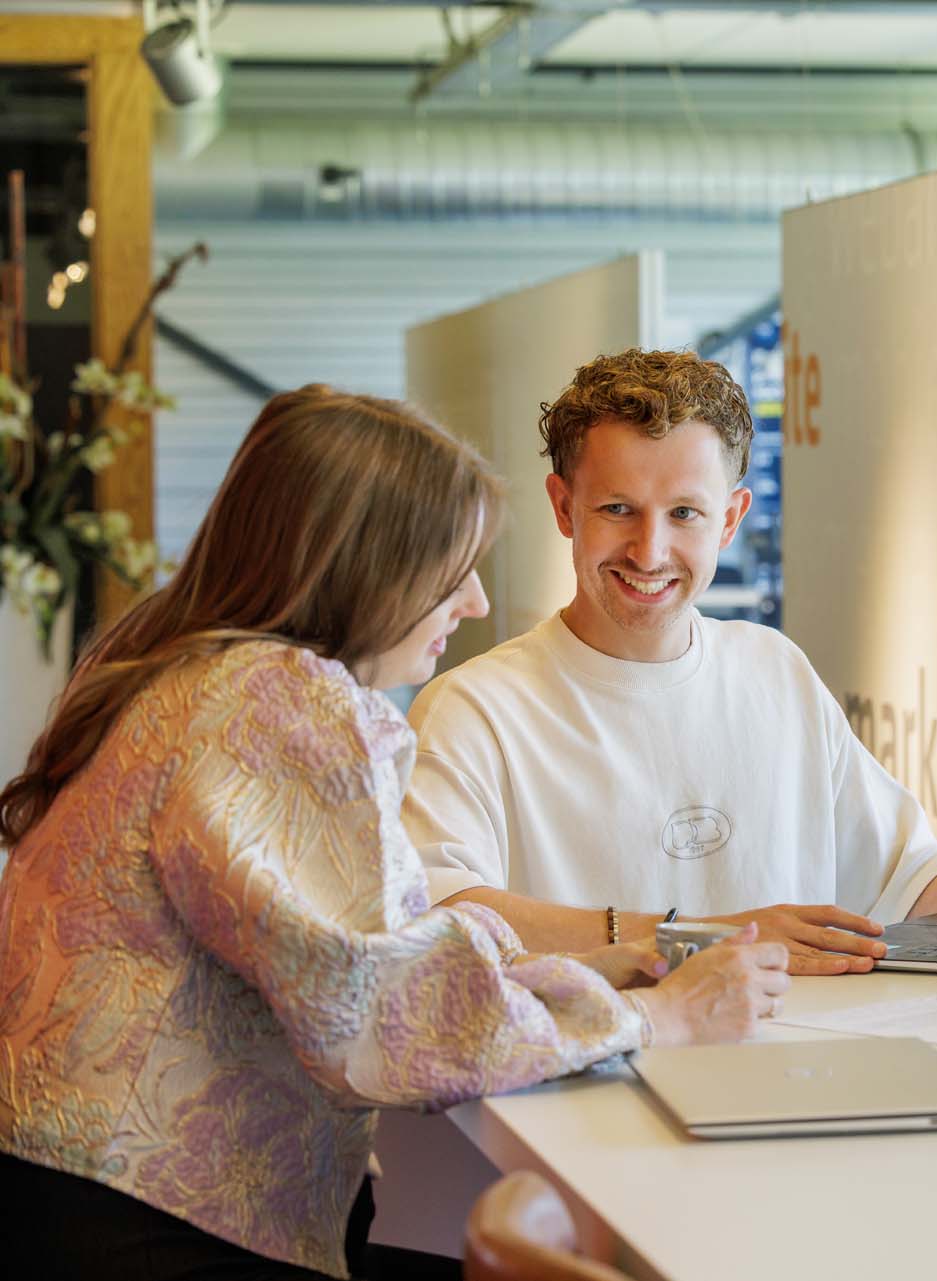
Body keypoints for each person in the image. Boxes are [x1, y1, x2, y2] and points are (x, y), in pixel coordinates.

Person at [0, 387, 790, 1280]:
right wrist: (658, 1016)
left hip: (81, 1202)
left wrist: (570, 974)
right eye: (452, 570)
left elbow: (352, 957)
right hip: (160, 1233)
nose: (476, 600)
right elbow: (383, 1026)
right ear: (365, 567)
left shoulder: (190, 671)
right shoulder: (277, 702)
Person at [401, 350, 937, 974]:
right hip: (609, 1047)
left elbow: (915, 883)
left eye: (684, 513)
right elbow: (442, 916)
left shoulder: (776, 671)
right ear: (565, 508)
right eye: (618, 509)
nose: (650, 552)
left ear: (730, 520)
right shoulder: (473, 710)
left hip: (799, 1044)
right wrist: (696, 939)